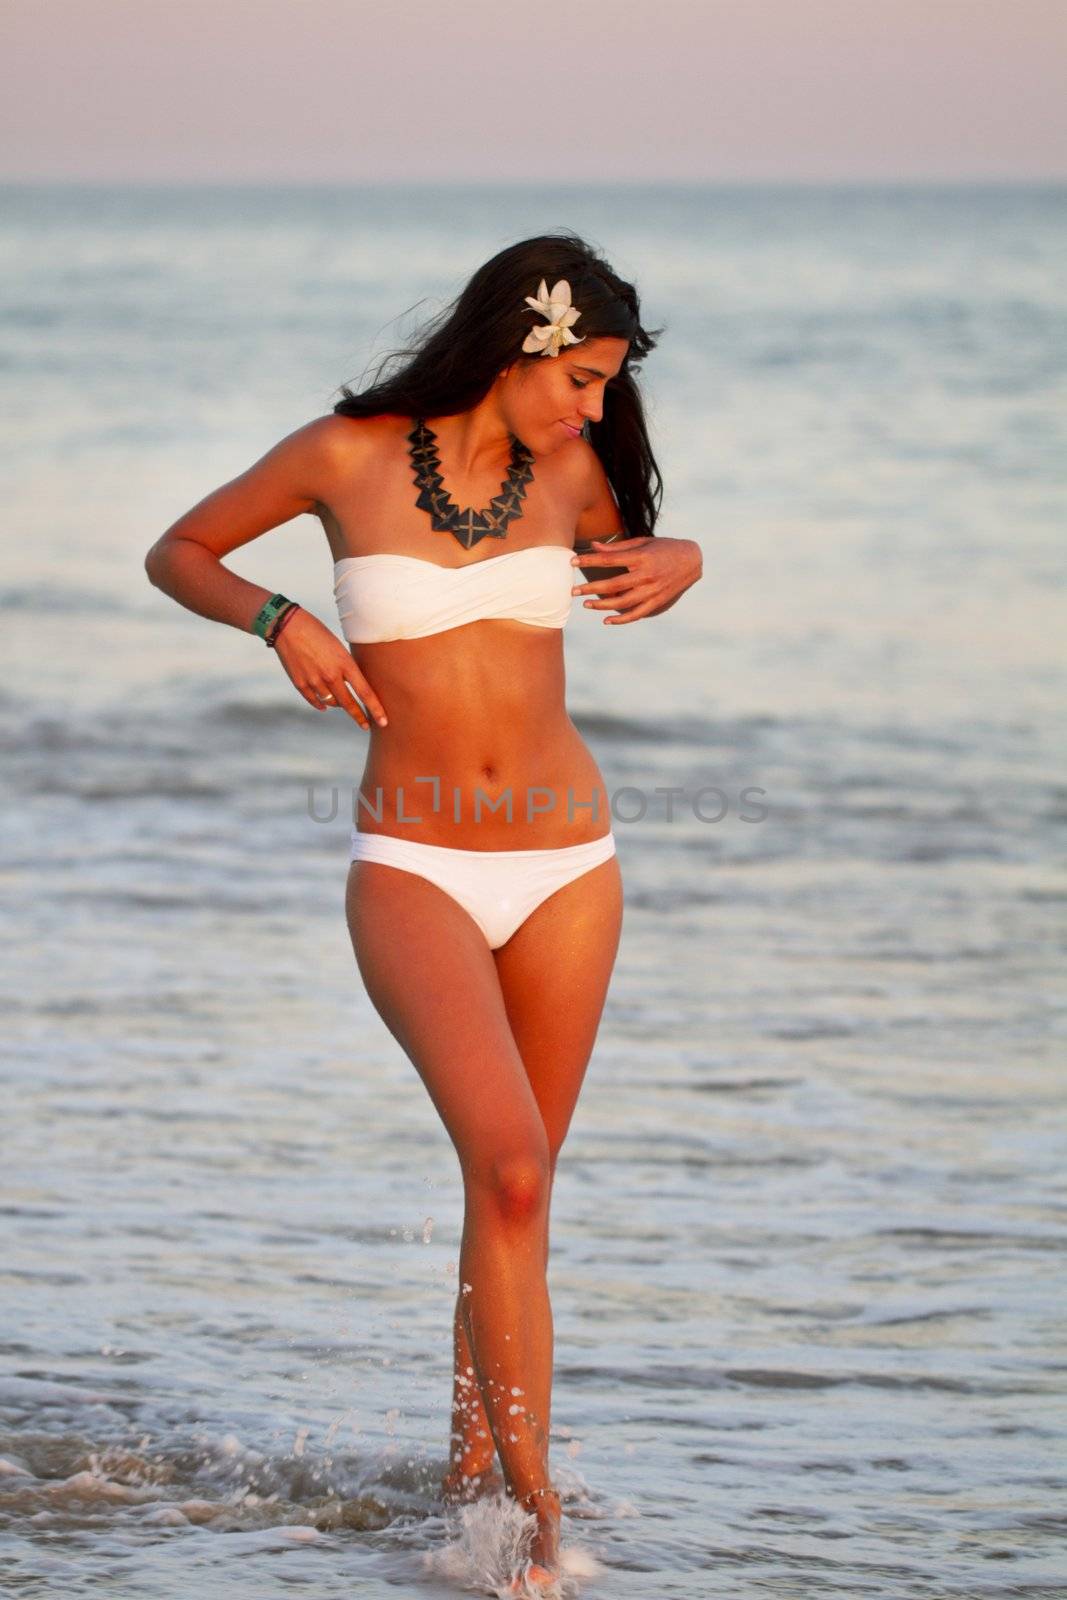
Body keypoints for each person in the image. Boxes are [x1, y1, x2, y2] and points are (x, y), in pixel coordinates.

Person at [144, 231, 702, 1593]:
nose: (592, 408)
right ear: (522, 341)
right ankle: (538, 1514)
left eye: (607, 386)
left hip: (571, 860)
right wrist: (280, 618)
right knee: (505, 1164)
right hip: (416, 867)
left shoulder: (572, 470)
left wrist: (682, 557)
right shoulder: (342, 456)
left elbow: (640, 558)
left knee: (514, 1193)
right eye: (581, 377)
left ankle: (478, 1508)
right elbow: (180, 550)